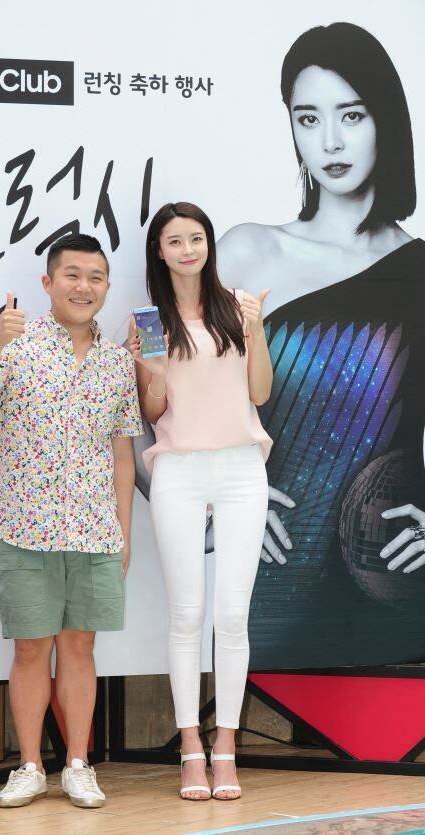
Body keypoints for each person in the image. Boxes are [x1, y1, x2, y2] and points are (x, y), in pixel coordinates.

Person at [217, 22, 425, 669]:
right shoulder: (249, 250)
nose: (330, 141)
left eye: (351, 115)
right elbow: (152, 387)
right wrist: (213, 503)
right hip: (271, 583)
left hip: (392, 585)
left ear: (385, 119)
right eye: (308, 118)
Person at [0, 234, 142, 809]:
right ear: (48, 283)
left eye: (96, 277)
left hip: (95, 532)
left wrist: (124, 532)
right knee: (31, 652)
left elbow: (123, 453)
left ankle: (78, 765)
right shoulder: (15, 345)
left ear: (106, 286)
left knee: (80, 649)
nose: (84, 286)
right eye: (72, 275)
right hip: (22, 529)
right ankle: (30, 766)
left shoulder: (117, 362)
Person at [128, 201, 272, 800]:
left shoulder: (238, 307)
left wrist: (256, 330)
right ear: (159, 252)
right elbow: (151, 411)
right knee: (186, 614)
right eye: (175, 241)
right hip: (179, 470)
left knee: (232, 617)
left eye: (196, 238)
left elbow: (259, 394)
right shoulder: (147, 321)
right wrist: (155, 373)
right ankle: (191, 748)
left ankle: (227, 748)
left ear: (208, 244)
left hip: (241, 468)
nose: (187, 249)